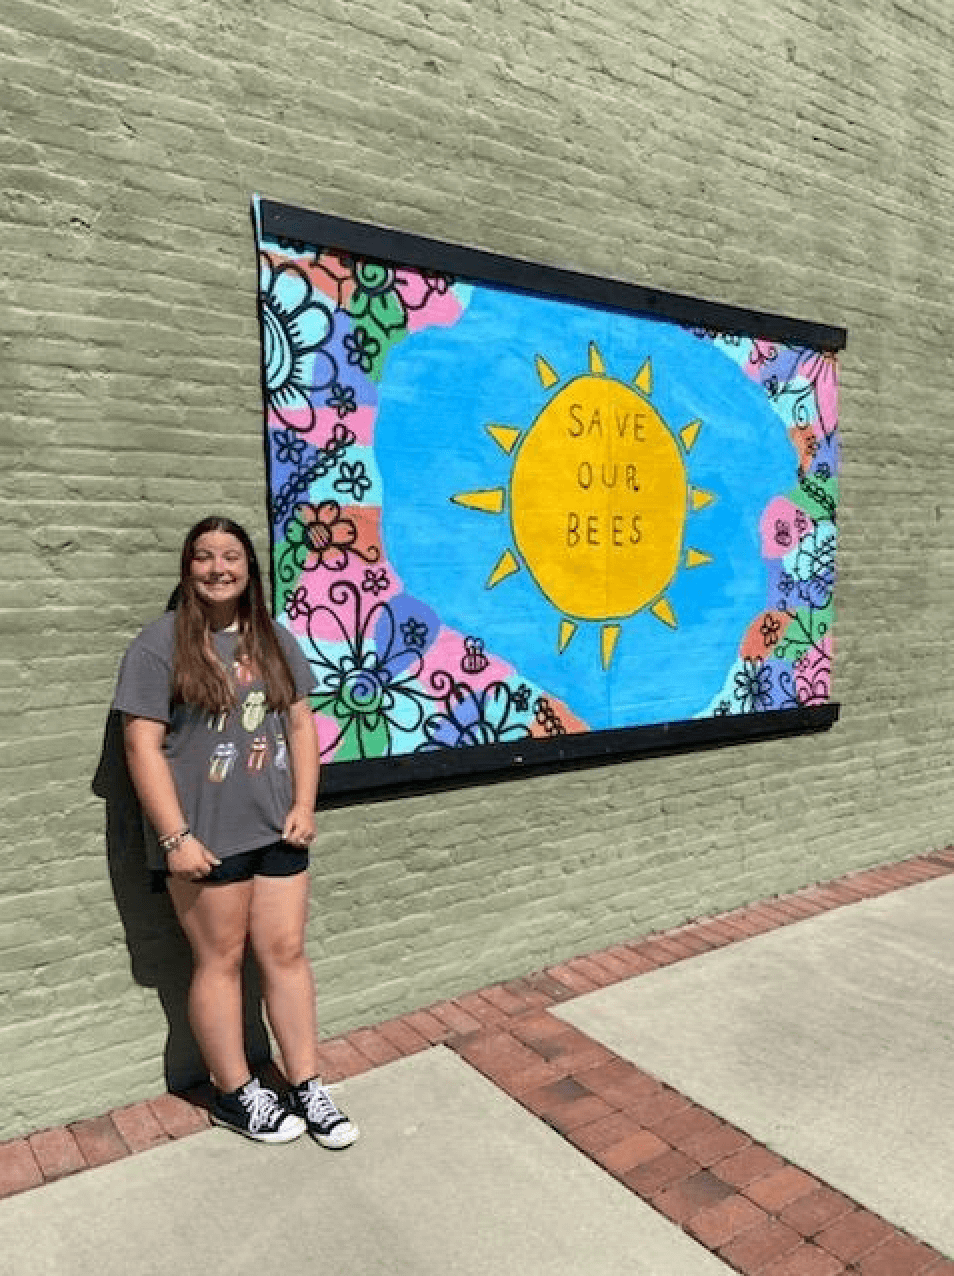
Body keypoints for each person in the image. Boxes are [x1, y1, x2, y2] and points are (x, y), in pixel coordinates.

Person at [112, 515, 358, 1148]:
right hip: (205, 839)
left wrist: (305, 803)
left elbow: (300, 726)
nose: (217, 568)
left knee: (285, 955)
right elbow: (140, 745)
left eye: (230, 557)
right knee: (218, 961)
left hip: (278, 830)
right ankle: (235, 1092)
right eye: (203, 557)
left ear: (250, 570)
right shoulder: (158, 644)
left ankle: (306, 1084)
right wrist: (175, 837)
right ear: (187, 568)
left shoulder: (272, 638)